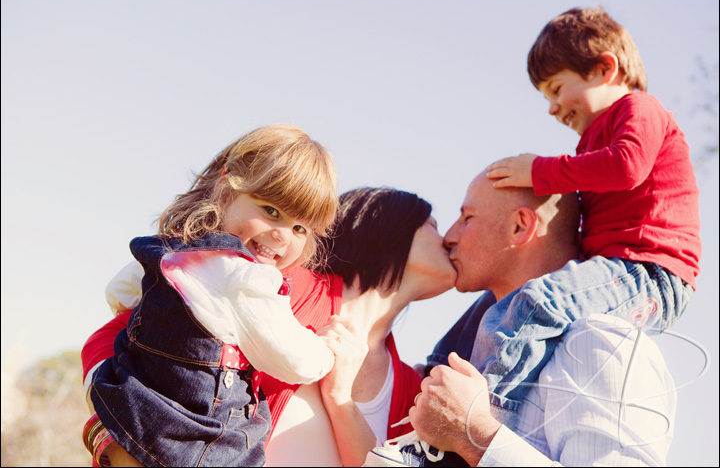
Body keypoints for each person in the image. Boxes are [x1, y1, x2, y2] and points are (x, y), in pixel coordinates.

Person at [82, 186, 457, 466]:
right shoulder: (281, 285)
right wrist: (113, 438)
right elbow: (110, 338)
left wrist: (340, 398)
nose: (450, 238)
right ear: (386, 227)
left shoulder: (412, 387)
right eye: (433, 225)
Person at [454, 5, 701, 429]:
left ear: (606, 68)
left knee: (535, 303)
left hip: (650, 273)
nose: (551, 107)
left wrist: (540, 170)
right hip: (614, 268)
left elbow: (627, 166)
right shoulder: (592, 145)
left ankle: (475, 425)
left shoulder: (638, 108)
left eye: (557, 87)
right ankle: (427, 393)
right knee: (489, 310)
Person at [366, 169, 678, 466]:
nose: (449, 236)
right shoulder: (477, 345)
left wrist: (476, 435)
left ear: (520, 226)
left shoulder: (599, 343)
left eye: (467, 217)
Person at [83, 124, 339, 467]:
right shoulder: (245, 277)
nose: (281, 236)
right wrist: (326, 353)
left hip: (131, 415)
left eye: (299, 228)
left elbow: (118, 291)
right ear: (225, 190)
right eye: (271, 211)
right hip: (188, 446)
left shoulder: (172, 248)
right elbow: (291, 358)